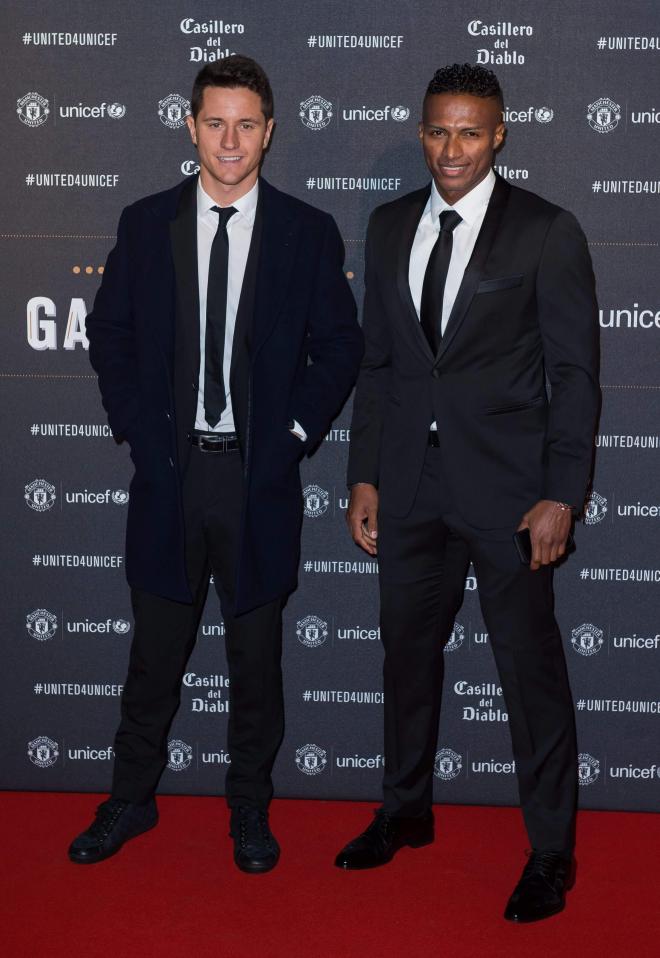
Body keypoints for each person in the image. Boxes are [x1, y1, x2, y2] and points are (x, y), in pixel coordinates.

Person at [68, 55, 362, 873]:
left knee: (254, 661)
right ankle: (129, 800)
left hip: (256, 480)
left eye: (246, 124)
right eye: (214, 122)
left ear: (269, 132)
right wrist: (136, 429)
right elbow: (112, 334)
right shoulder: (145, 222)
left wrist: (293, 435)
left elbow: (341, 346)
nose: (229, 140)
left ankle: (249, 812)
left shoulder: (307, 233)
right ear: (190, 125)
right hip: (170, 476)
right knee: (153, 657)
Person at [335, 63, 599, 922]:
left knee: (530, 676)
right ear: (422, 132)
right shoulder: (385, 227)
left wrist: (563, 492)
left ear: (500, 135)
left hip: (511, 496)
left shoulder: (547, 232)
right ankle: (406, 810)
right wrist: (366, 472)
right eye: (440, 131)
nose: (454, 149)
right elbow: (378, 365)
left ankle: (551, 854)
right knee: (406, 662)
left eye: (471, 132)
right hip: (409, 488)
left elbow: (576, 376)